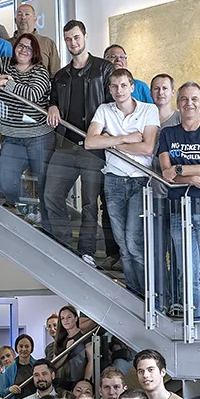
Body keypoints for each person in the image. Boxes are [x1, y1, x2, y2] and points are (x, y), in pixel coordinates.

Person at [85, 67, 160, 297]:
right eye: (115, 86)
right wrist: (126, 138)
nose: (119, 90)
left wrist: (109, 142)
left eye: (124, 86)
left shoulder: (149, 110)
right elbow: (89, 142)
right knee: (123, 245)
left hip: (140, 182)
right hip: (113, 181)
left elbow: (147, 148)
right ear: (109, 89)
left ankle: (151, 295)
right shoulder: (104, 110)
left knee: (135, 243)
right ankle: (135, 295)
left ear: (132, 87)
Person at [156, 81, 200, 320]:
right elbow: (166, 174)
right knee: (188, 273)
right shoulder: (167, 133)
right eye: (184, 99)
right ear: (178, 103)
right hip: (180, 212)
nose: (189, 103)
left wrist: (182, 171)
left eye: (195, 99)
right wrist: (195, 176)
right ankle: (193, 322)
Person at [43, 20, 110, 264]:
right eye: (69, 39)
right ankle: (63, 244)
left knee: (91, 203)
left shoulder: (103, 69)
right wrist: (52, 104)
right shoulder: (61, 75)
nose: (73, 42)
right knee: (51, 195)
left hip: (93, 147)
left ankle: (87, 251)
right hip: (66, 145)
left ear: (86, 36)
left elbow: (113, 105)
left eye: (76, 37)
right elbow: (52, 99)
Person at [0, 33, 54, 223]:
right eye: (20, 46)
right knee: (5, 180)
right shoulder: (5, 65)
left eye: (28, 47)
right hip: (13, 137)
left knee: (43, 183)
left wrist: (6, 83)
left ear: (35, 51)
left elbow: (32, 94)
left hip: (39, 136)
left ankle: (50, 229)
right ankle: (29, 208)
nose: (23, 50)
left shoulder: (40, 71)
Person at [13, 1, 61, 77]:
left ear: (35, 19)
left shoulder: (48, 43)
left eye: (27, 14)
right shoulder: (6, 44)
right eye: (19, 14)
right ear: (15, 20)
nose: (23, 17)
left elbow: (56, 75)